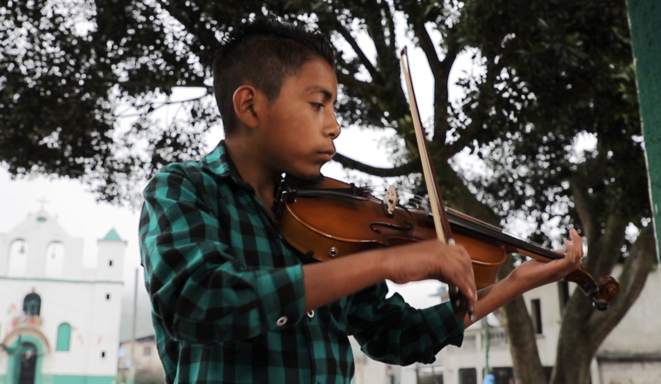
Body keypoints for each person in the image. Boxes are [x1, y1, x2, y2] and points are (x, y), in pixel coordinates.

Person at [139, 17, 584, 384]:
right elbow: (196, 301)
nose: (334, 126)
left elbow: (397, 336)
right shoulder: (183, 189)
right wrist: (382, 264)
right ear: (250, 107)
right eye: (318, 104)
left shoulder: (327, 218)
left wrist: (513, 283)